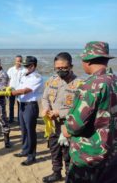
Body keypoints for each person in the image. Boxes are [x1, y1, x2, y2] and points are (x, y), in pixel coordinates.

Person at [62, 41, 117, 183]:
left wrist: (65, 129)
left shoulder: (91, 85)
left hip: (90, 156)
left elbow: (74, 126)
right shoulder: (114, 80)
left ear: (88, 61)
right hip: (112, 155)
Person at [42, 53, 82, 182]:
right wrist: (46, 108)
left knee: (67, 153)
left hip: (67, 126)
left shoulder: (79, 84)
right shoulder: (52, 80)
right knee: (54, 150)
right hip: (53, 125)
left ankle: (69, 176)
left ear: (71, 66)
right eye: (57, 68)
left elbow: (79, 107)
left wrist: (59, 113)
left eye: (64, 68)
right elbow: (45, 98)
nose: (60, 71)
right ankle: (56, 173)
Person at [0, 56, 43, 165]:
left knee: (31, 132)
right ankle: (25, 150)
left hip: (30, 106)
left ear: (33, 65)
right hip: (22, 105)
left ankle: (32, 156)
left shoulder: (36, 77)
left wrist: (9, 93)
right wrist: (9, 89)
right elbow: (17, 87)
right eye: (25, 65)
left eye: (27, 66)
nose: (25, 67)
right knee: (23, 129)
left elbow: (25, 90)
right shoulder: (25, 75)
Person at [7, 55, 26, 123]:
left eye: (20, 61)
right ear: (15, 61)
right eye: (18, 61)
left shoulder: (24, 70)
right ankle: (11, 119)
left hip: (20, 90)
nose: (19, 62)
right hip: (11, 90)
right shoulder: (10, 69)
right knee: (11, 105)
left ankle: (19, 119)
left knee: (20, 106)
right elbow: (7, 80)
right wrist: (7, 89)